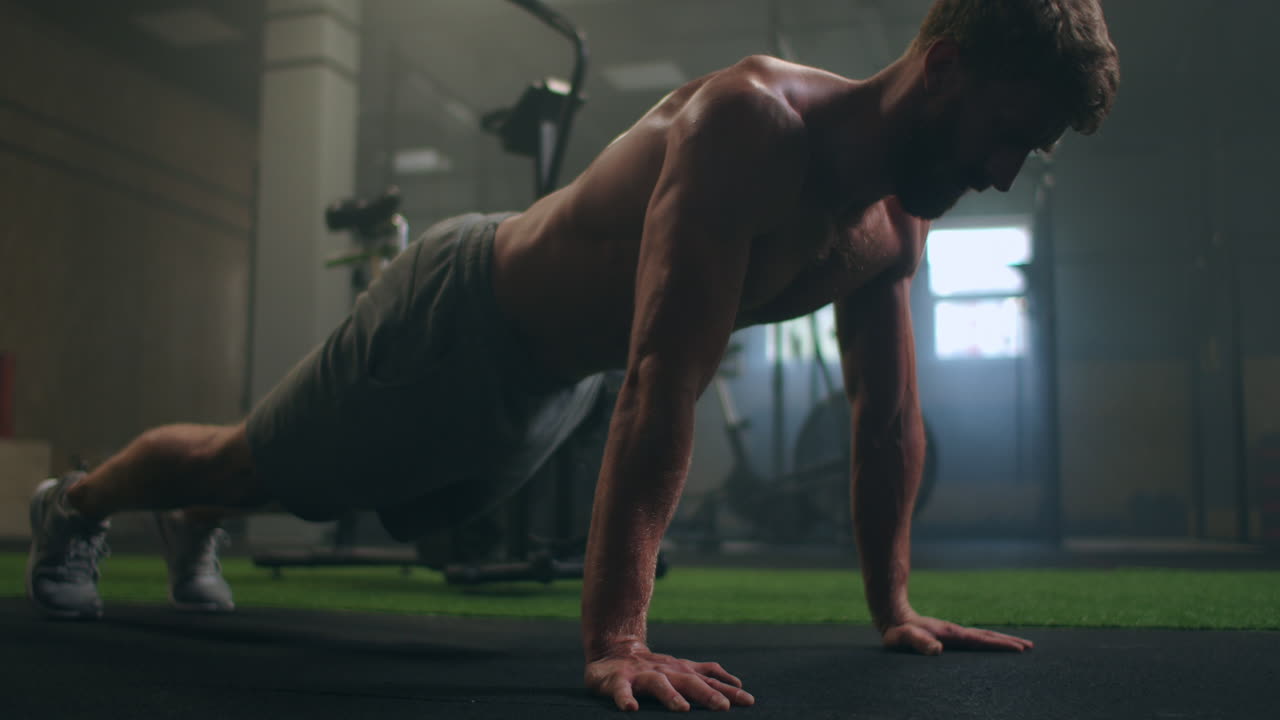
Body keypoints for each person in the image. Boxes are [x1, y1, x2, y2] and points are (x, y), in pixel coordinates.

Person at [25, 0, 1119, 712]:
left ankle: (200, 510)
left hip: (549, 385)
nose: (1002, 172)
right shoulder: (753, 125)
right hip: (458, 318)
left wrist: (895, 607)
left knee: (342, 495)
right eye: (1005, 134)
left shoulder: (896, 226)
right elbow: (662, 377)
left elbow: (882, 420)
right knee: (254, 466)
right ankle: (75, 505)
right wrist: (618, 641)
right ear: (942, 69)